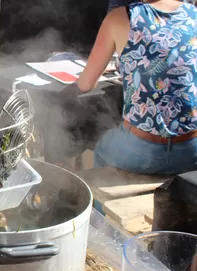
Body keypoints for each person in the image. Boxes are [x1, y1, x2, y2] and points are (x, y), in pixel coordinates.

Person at [76, 0, 197, 175]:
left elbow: (85, 84)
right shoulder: (193, 13)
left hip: (141, 153)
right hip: (192, 151)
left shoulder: (120, 17)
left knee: (102, 146)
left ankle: (99, 198)